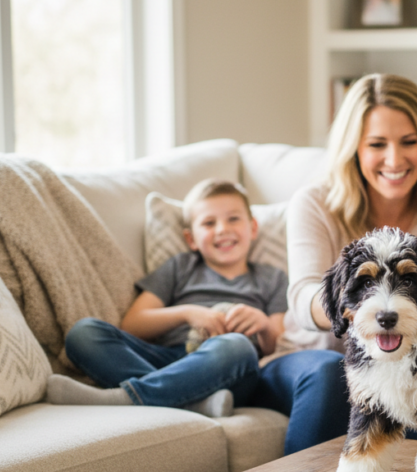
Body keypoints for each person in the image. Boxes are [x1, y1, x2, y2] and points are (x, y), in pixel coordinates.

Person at [285, 72, 417, 419]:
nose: (394, 159)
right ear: (354, 149)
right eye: (377, 144)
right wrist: (369, 313)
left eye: (409, 141)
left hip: (410, 363)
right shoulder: (313, 203)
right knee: (330, 375)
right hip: (312, 357)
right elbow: (302, 296)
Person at [47, 179, 286, 417]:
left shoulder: (272, 278)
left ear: (253, 228)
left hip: (226, 370)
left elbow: (278, 345)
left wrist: (263, 324)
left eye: (233, 219)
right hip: (169, 360)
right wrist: (187, 313)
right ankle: (194, 404)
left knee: (237, 346)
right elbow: (133, 324)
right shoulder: (180, 267)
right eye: (209, 223)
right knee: (83, 332)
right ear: (191, 239)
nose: (222, 229)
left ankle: (127, 397)